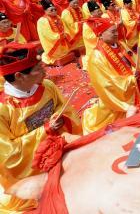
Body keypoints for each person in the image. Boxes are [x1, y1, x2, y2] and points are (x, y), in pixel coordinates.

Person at [0, 42, 81, 212]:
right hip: (29, 172)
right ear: (19, 76)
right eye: (38, 67)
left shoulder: (47, 87)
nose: (45, 70)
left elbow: (65, 108)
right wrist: (45, 131)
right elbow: (8, 156)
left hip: (60, 150)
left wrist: (61, 117)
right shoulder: (4, 109)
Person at [82, 18, 140, 134]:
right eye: (112, 32)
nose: (117, 33)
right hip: (114, 100)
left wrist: (136, 70)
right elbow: (107, 85)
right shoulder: (97, 57)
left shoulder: (120, 44)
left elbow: (132, 59)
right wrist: (131, 80)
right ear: (101, 35)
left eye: (116, 30)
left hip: (129, 92)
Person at [37, 0, 72, 64]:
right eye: (51, 10)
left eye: (55, 9)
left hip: (62, 41)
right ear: (45, 11)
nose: (54, 11)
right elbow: (47, 35)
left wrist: (65, 33)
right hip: (53, 44)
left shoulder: (58, 17)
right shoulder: (42, 21)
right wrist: (60, 36)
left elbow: (65, 27)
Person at [81, 1, 102, 70]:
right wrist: (99, 35)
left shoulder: (102, 19)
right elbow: (88, 37)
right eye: (98, 11)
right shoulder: (87, 24)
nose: (100, 12)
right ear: (92, 13)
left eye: (100, 10)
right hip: (93, 45)